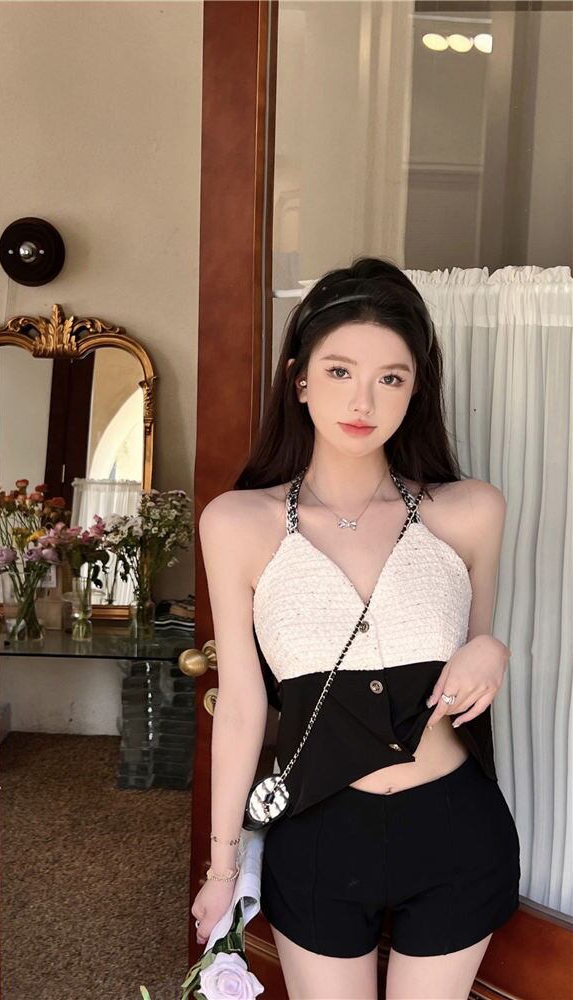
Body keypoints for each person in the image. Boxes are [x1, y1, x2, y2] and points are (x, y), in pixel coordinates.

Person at [190, 257, 521, 1000]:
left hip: (454, 828)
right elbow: (241, 707)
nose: (363, 401)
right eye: (339, 371)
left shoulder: (469, 512)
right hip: (319, 832)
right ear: (299, 380)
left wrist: (492, 648)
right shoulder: (239, 523)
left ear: (416, 389)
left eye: (390, 378)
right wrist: (222, 869)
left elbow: (474, 656)